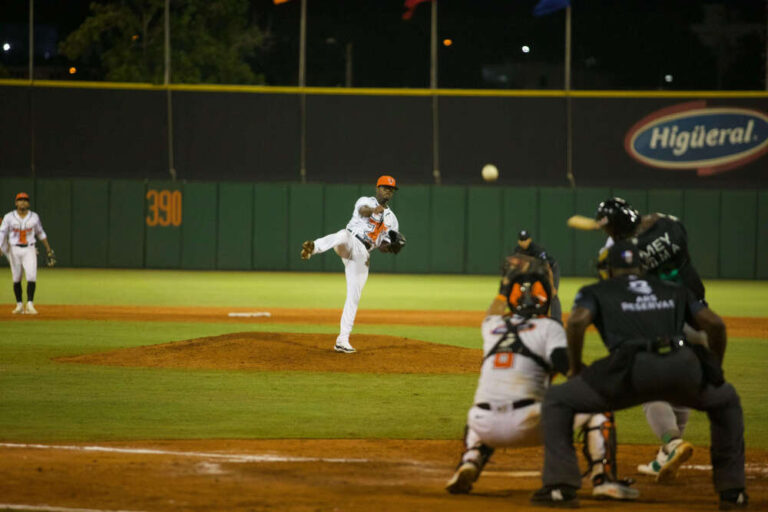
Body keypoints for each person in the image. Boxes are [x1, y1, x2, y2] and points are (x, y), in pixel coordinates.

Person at [531, 239, 746, 509]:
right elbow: (714, 325)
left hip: (631, 369)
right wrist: (714, 371)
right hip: (682, 364)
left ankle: (560, 488)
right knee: (726, 401)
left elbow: (575, 322)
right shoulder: (674, 289)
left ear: (608, 269)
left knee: (558, 399)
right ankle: (733, 492)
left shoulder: (597, 290)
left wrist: (575, 368)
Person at [446, 254, 637, 501]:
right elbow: (569, 369)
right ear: (545, 300)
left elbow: (493, 312)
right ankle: (603, 479)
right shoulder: (549, 328)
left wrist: (504, 289)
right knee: (598, 408)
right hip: (527, 423)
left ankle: (470, 460)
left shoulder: (492, 327)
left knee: (483, 407)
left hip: (484, 426)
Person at [595, 197, 705, 481]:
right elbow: (653, 220)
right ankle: (665, 456)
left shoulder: (619, 252)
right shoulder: (671, 225)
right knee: (682, 390)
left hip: (663, 323)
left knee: (647, 388)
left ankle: (671, 442)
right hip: (699, 316)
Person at [300, 175, 405, 354]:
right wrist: (375, 210)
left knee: (353, 297)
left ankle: (342, 340)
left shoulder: (392, 220)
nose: (388, 191)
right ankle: (313, 247)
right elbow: (364, 211)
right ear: (377, 188)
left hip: (363, 255)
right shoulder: (366, 201)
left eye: (391, 189)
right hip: (350, 241)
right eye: (385, 188)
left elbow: (382, 246)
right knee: (342, 234)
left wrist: (393, 247)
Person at [0, 192, 55, 315]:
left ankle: (30, 304)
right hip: (13, 250)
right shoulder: (9, 217)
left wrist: (48, 248)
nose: (22, 202)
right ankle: (19, 305)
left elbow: (40, 233)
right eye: (20, 200)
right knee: (16, 278)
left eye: (25, 200)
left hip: (30, 249)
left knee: (31, 276)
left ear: (28, 203)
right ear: (16, 203)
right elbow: (2, 233)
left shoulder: (34, 217)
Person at [513, 229, 561, 323]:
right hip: (535, 272)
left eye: (525, 239)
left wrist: (552, 287)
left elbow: (547, 269)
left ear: (529, 240)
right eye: (521, 240)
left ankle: (557, 321)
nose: (524, 242)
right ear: (518, 241)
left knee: (552, 294)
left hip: (551, 269)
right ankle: (531, 318)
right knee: (528, 292)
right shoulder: (517, 251)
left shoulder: (537, 250)